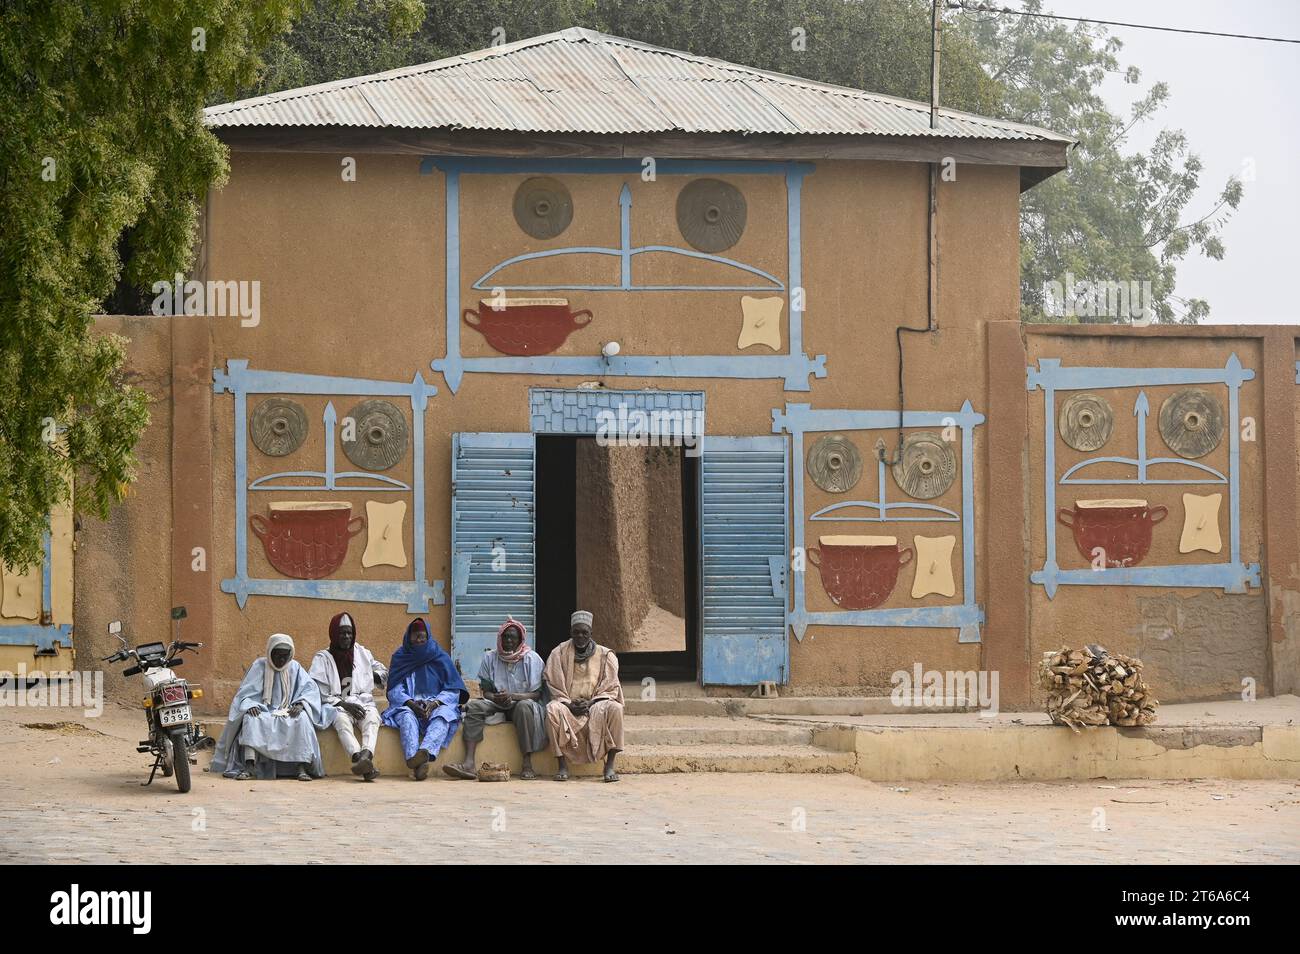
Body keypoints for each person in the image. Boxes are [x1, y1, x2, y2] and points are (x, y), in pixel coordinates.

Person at [209, 633, 334, 781]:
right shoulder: (259, 666)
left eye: (285, 656)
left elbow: (310, 690)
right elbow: (245, 694)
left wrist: (301, 704)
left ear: (290, 655)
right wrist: (250, 705)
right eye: (277, 655)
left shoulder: (295, 667)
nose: (281, 660)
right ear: (270, 652)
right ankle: (249, 767)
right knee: (251, 719)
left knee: (303, 719)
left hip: (288, 710)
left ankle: (301, 768)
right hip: (264, 710)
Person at [444, 617, 546, 781]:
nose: (509, 640)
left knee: (525, 707)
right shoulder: (490, 657)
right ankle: (469, 763)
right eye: (505, 637)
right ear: (500, 638)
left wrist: (513, 696)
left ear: (520, 640)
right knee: (475, 707)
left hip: (520, 703)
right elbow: (486, 691)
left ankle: (527, 763)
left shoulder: (531, 659)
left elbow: (536, 694)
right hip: (497, 703)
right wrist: (496, 698)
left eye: (513, 637)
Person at [381, 618, 468, 780]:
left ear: (428, 637)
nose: (419, 640)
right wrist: (412, 704)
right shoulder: (400, 657)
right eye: (415, 636)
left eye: (422, 636)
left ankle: (424, 753)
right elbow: (394, 689)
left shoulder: (441, 656)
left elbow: (453, 689)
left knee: (443, 717)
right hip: (409, 703)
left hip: (436, 703)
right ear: (408, 637)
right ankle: (415, 760)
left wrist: (434, 704)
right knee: (406, 717)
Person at [544, 610, 624, 782]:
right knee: (552, 709)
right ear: (571, 633)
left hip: (596, 703)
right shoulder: (558, 653)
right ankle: (562, 766)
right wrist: (568, 703)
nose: (580, 636)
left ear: (591, 634)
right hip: (567, 704)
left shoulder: (605, 655)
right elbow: (554, 684)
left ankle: (609, 766)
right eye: (576, 632)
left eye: (584, 633)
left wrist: (591, 702)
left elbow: (610, 686)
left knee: (616, 708)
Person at [309, 611, 387, 782]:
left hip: (362, 701)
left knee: (372, 719)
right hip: (337, 704)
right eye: (342, 632)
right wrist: (344, 705)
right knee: (341, 722)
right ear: (334, 634)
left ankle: (366, 756)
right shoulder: (323, 658)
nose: (346, 636)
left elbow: (382, 671)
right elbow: (319, 691)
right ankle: (358, 757)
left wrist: (370, 675)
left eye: (349, 633)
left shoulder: (362, 653)